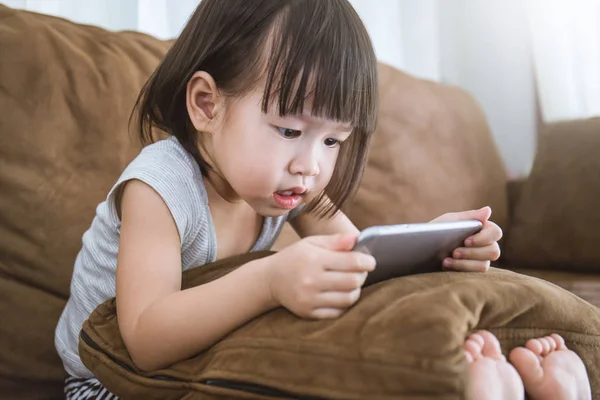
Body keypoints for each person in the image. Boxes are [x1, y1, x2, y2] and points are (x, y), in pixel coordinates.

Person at [54, 1, 591, 399]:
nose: (310, 164)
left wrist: (436, 244)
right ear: (206, 105)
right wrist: (271, 279)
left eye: (333, 141)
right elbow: (145, 339)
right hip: (110, 383)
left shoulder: (293, 188)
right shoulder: (158, 186)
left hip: (203, 361)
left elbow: (359, 258)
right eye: (288, 130)